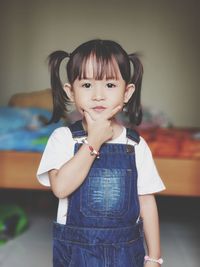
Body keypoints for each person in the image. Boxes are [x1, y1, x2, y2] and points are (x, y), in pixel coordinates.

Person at [37, 39, 165, 267]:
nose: (98, 95)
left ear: (127, 92)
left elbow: (146, 201)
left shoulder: (135, 145)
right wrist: (94, 139)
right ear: (71, 92)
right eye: (86, 85)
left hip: (127, 251)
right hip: (75, 252)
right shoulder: (63, 138)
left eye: (109, 85)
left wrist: (154, 258)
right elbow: (61, 188)